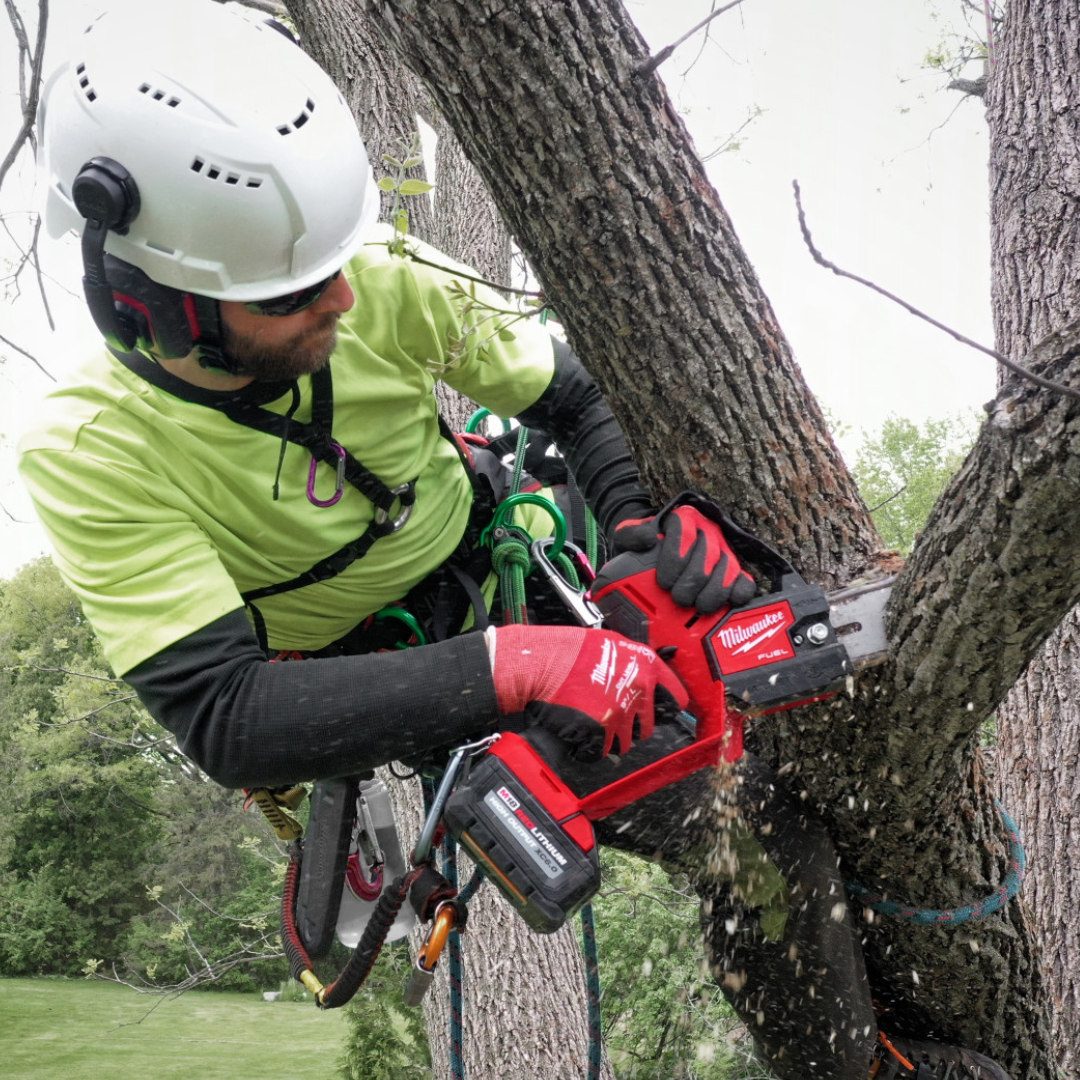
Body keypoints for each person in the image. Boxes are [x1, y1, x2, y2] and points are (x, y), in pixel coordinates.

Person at [19, 5, 1012, 1079]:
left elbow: (577, 397)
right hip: (393, 675)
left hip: (507, 553)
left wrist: (634, 530)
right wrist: (516, 667)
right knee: (748, 826)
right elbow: (226, 712)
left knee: (745, 647)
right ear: (156, 306)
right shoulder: (92, 452)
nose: (345, 301)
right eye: (299, 295)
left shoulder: (380, 280)